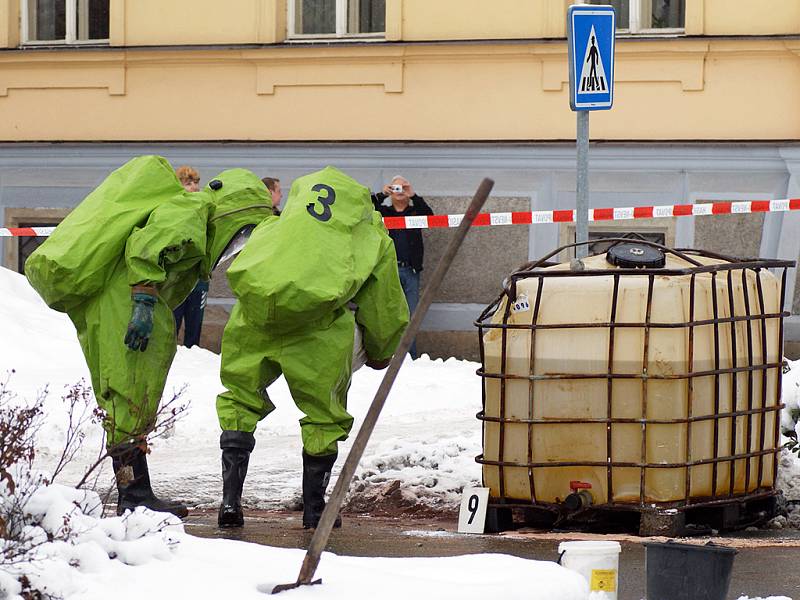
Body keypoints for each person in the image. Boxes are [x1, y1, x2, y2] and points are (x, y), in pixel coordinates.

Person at [25, 158, 274, 518]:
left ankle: (134, 491)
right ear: (236, 213)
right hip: (130, 299)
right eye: (243, 232)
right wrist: (143, 297)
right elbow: (148, 244)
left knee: (123, 394)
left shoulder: (196, 216)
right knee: (131, 392)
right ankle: (135, 495)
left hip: (115, 299)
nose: (238, 244)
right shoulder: (192, 209)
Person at [214, 166, 408, 529]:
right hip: (318, 332)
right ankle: (315, 510)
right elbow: (384, 305)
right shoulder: (371, 237)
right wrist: (381, 350)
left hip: (254, 323)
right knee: (323, 414)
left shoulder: (274, 226)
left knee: (239, 399)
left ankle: (229, 503)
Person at [371, 175, 433, 359]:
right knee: (388, 315)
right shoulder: (384, 212)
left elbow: (431, 218)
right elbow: (366, 210)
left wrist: (413, 195)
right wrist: (382, 194)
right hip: (389, 271)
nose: (399, 192)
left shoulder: (415, 213)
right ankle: (389, 356)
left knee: (411, 317)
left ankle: (410, 357)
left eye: (402, 188)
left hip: (411, 271)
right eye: (395, 188)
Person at [173, 165, 208, 348]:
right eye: (188, 183)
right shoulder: (172, 208)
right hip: (177, 277)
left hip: (199, 277)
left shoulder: (204, 207)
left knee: (194, 328)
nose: (194, 187)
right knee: (172, 324)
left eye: (195, 182)